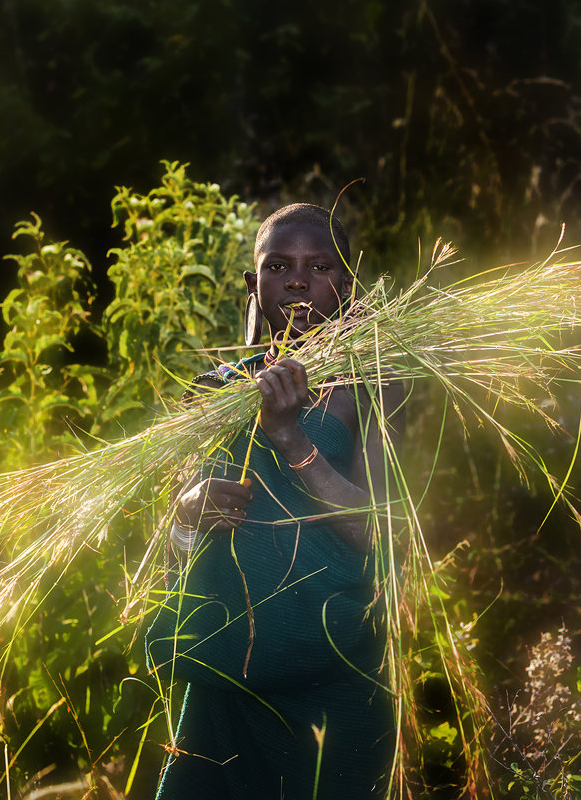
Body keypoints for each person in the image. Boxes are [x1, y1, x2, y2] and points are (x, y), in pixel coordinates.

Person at [146, 203, 406, 800]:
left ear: (347, 285)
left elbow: (385, 532)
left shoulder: (371, 385)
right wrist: (188, 512)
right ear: (252, 284)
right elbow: (169, 551)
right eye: (279, 265)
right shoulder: (215, 390)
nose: (297, 280)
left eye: (320, 267)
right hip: (224, 679)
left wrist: (290, 438)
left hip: (332, 683)